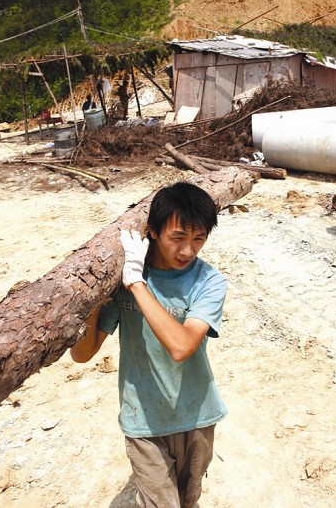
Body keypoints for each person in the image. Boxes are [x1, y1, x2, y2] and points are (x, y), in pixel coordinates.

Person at [70, 182, 228, 508]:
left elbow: (182, 346)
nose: (188, 250)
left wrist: (137, 285)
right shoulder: (125, 280)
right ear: (154, 232)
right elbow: (83, 354)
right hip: (143, 419)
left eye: (199, 238)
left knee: (188, 499)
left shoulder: (209, 281)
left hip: (196, 416)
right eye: (178, 237)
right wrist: (94, 299)